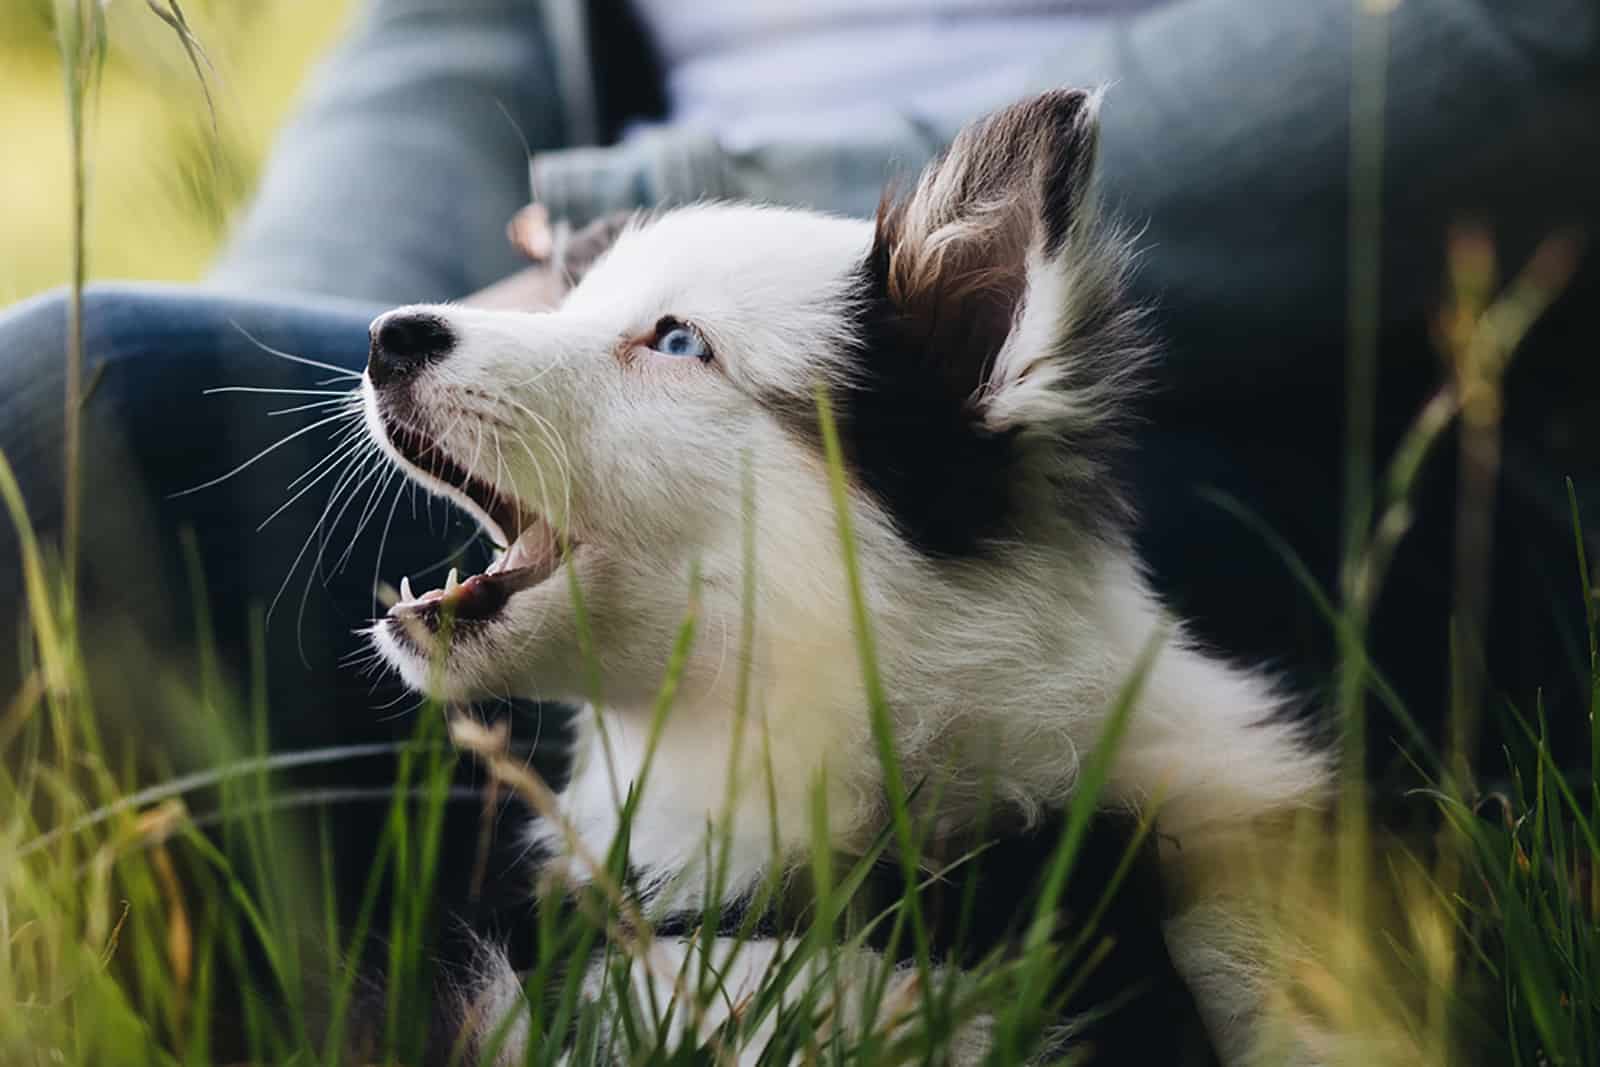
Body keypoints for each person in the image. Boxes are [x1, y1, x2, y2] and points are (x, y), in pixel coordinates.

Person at [1, 0, 1597, 797]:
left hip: (1210, 393)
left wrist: (684, 214)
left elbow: (1528, 39)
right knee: (70, 408)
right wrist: (261, 364)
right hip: (619, 336)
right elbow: (450, 37)